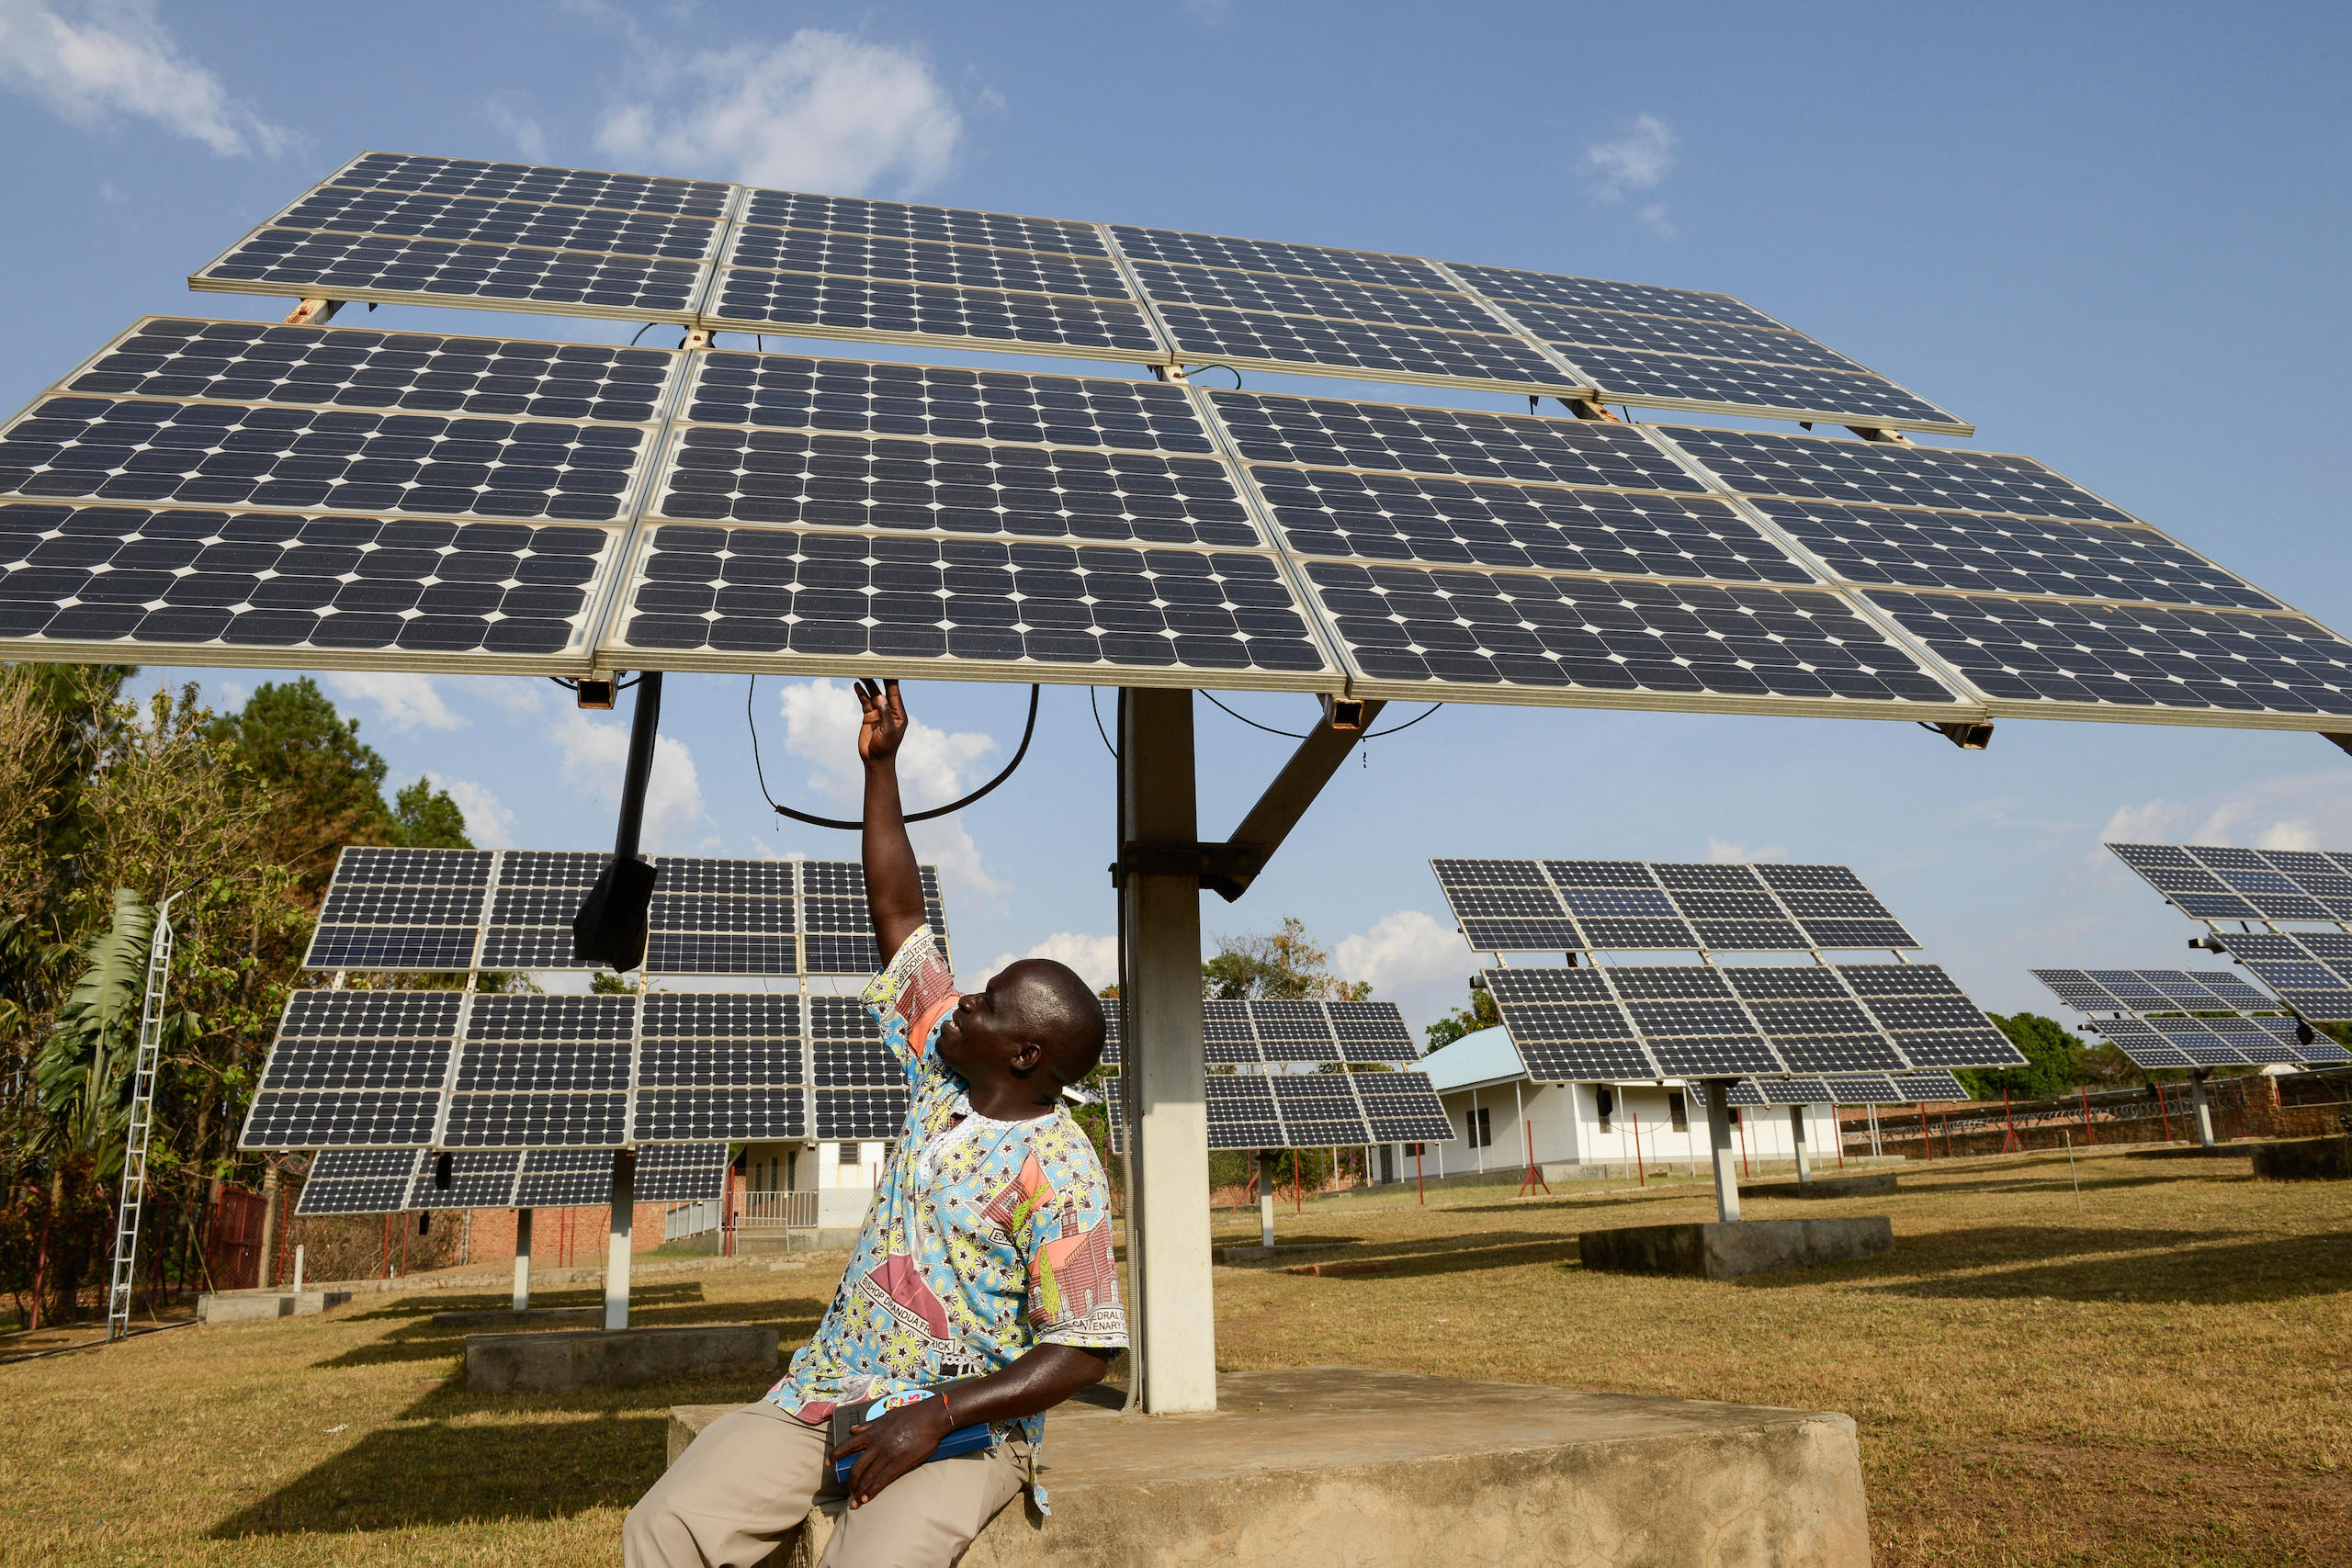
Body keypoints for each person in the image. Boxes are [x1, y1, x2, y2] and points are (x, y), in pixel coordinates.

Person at [626, 678, 1125, 1568]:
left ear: (1023, 1056)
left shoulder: (1062, 1168)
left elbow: (1083, 1350)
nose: (963, 999)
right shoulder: (942, 1074)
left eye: (989, 1003)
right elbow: (899, 919)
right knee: (665, 1527)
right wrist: (882, 767)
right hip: (824, 1393)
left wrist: (936, 1414)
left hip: (958, 1430)